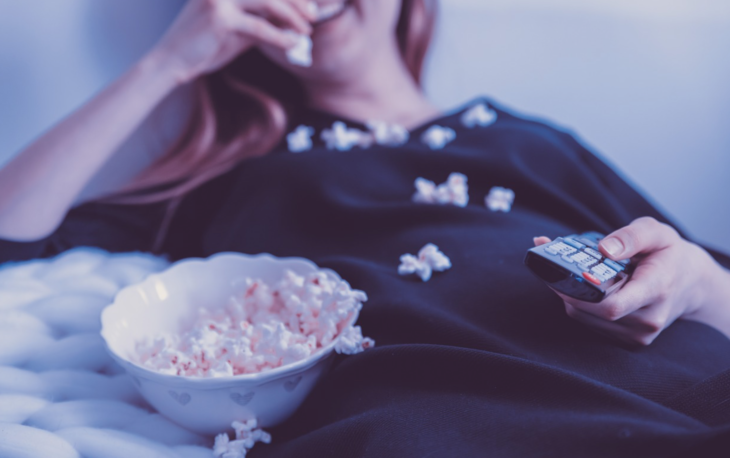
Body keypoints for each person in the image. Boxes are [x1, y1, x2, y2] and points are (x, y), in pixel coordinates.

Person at [1, 0, 730, 456]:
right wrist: (168, 62)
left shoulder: (528, 138)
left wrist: (696, 282)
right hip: (445, 415)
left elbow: (708, 283)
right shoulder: (237, 174)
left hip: (676, 384)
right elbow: (12, 235)